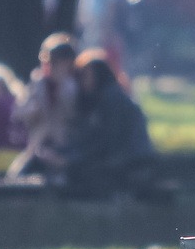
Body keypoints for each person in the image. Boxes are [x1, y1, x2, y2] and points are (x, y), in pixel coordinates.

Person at [59, 52, 157, 197]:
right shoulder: (106, 98)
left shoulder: (111, 98)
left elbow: (108, 140)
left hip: (134, 165)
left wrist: (70, 160)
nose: (82, 82)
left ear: (98, 75)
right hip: (130, 162)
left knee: (79, 174)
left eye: (85, 76)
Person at [11, 34, 79, 177]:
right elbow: (18, 113)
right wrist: (33, 111)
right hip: (39, 145)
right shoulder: (38, 83)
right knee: (18, 175)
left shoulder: (74, 86)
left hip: (65, 146)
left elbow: (73, 116)